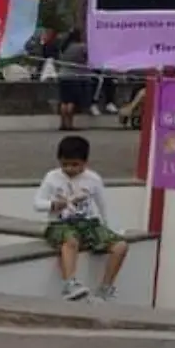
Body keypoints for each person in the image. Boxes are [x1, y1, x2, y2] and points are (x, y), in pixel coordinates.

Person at [35, 135, 128, 301]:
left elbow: (103, 206)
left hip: (87, 223)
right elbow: (37, 203)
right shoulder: (52, 177)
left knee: (120, 246)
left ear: (85, 163)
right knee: (71, 242)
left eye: (75, 165)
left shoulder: (93, 179)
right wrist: (53, 205)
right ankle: (69, 283)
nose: (70, 169)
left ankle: (105, 287)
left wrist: (111, 229)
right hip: (60, 223)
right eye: (65, 165)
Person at [55, 31, 93, 132]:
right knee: (71, 101)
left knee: (64, 101)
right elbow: (88, 58)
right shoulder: (82, 47)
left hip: (63, 75)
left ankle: (63, 123)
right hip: (75, 76)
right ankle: (70, 124)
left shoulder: (63, 47)